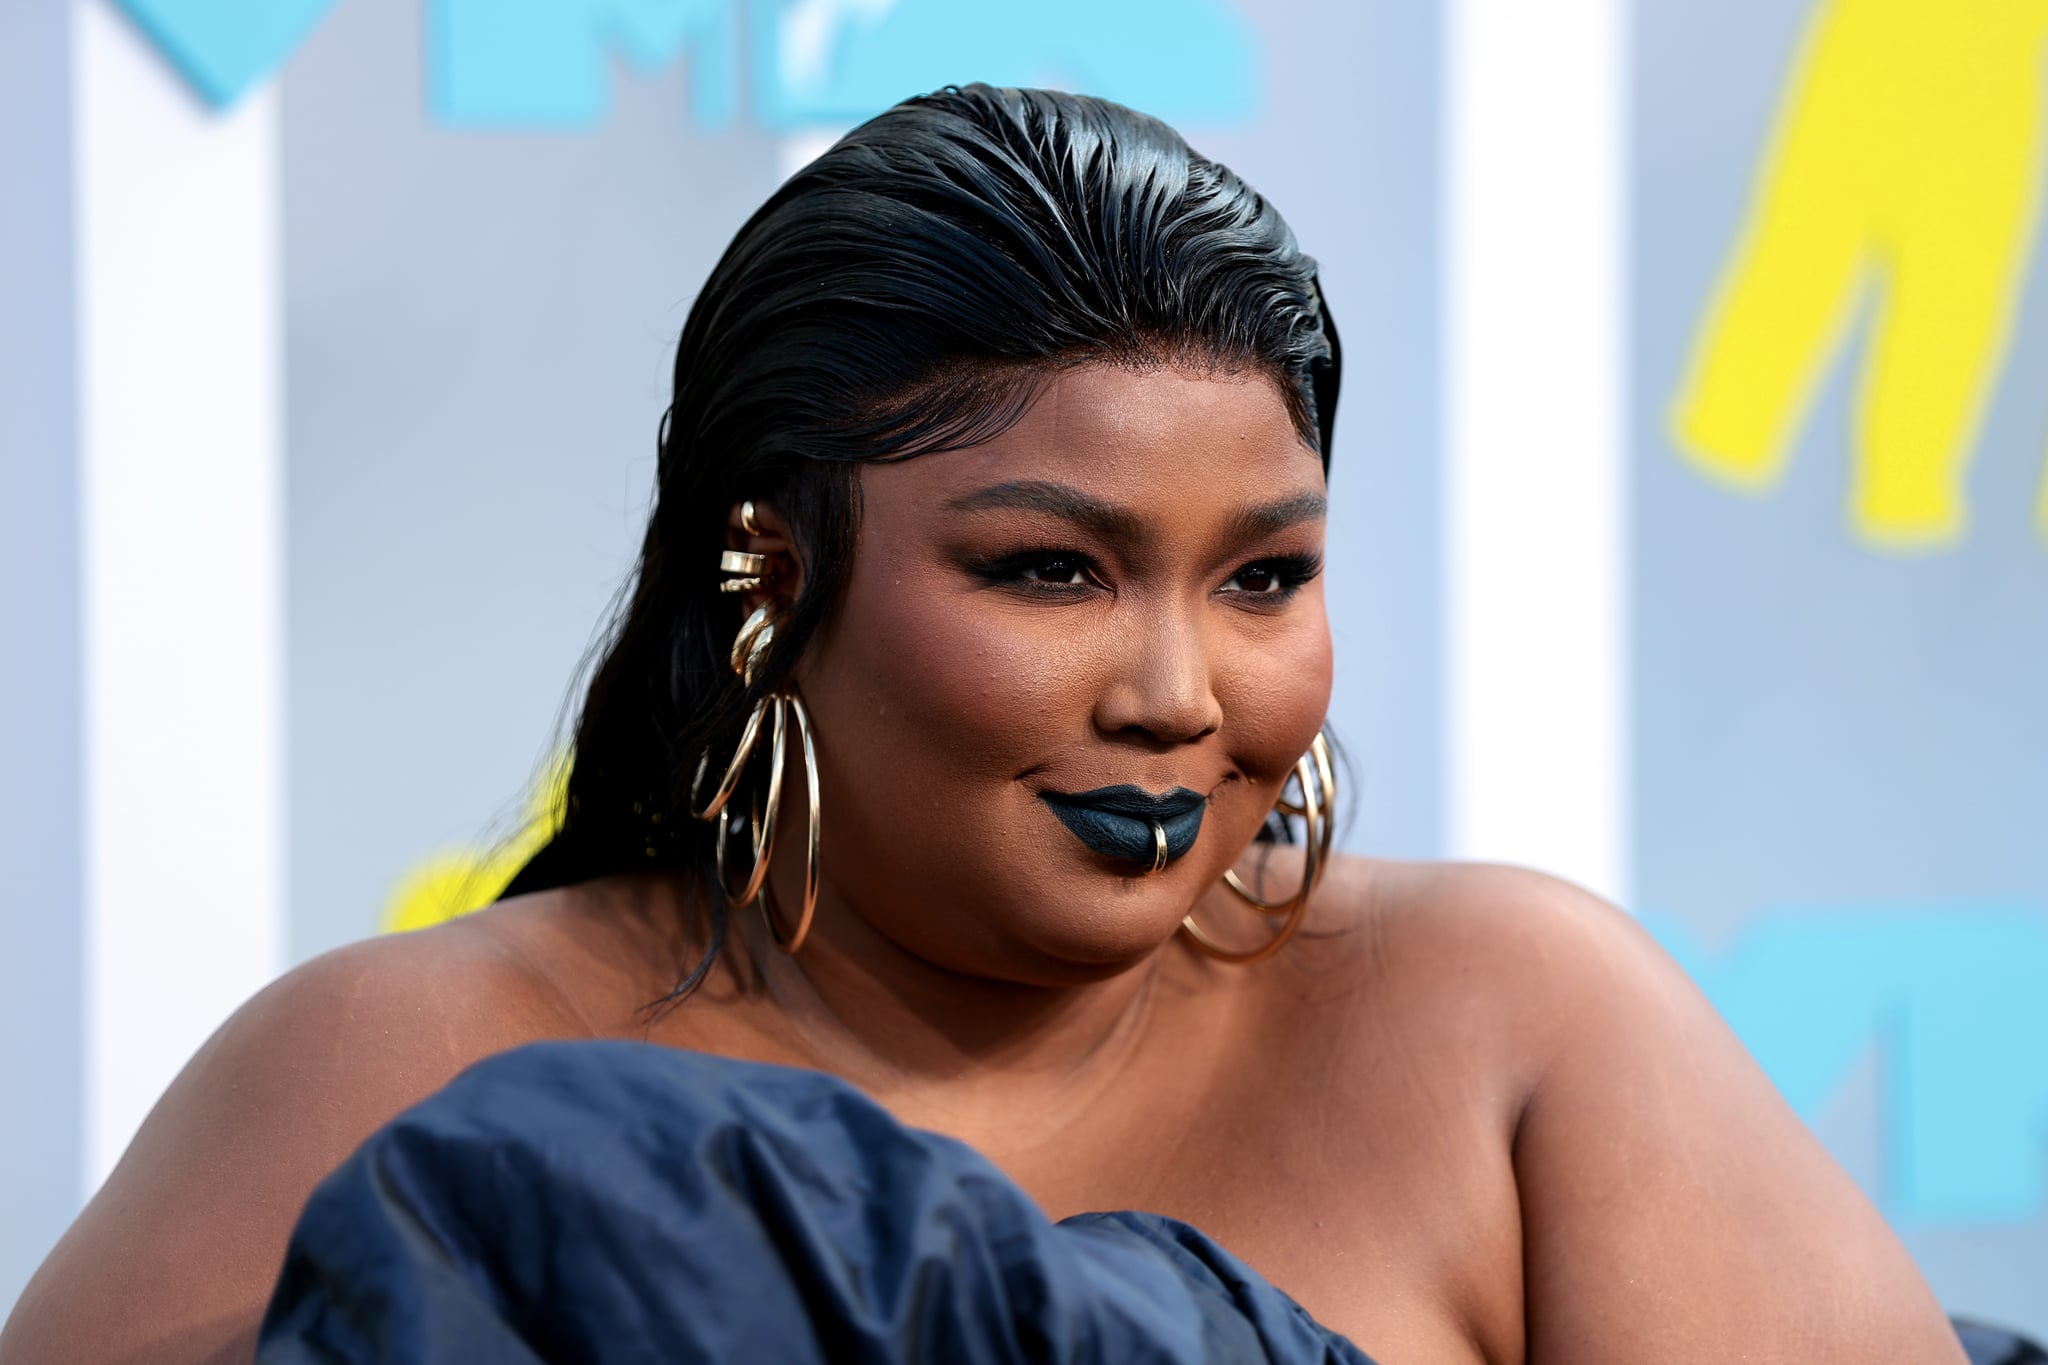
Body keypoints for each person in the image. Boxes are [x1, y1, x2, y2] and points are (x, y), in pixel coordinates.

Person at [1, 84, 1968, 1364]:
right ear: (769, 569)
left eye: (1262, 575)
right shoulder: (396, 1065)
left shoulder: (1518, 1019)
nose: (1179, 689)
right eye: (1051, 569)